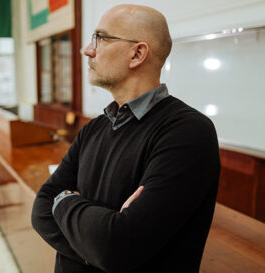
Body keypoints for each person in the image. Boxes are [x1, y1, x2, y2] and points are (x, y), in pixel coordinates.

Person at [31, 4, 220, 273]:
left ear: (137, 54)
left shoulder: (188, 133)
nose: (87, 49)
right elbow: (40, 209)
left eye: (101, 38)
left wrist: (63, 201)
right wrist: (97, 246)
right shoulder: (94, 128)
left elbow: (117, 247)